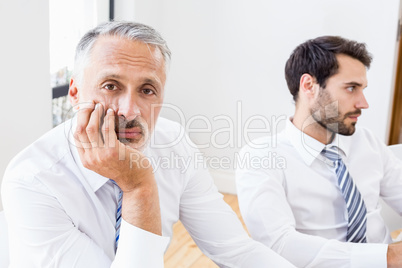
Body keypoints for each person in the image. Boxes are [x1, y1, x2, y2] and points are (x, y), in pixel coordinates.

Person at [1, 21, 296, 267]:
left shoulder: (173, 143)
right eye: (111, 86)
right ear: (75, 93)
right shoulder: (33, 181)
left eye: (147, 90)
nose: (130, 110)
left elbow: (237, 251)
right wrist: (138, 186)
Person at [236, 35, 402, 268]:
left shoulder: (367, 142)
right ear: (309, 86)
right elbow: (279, 244)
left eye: (362, 89)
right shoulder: (261, 157)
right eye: (351, 88)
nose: (363, 103)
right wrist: (387, 258)